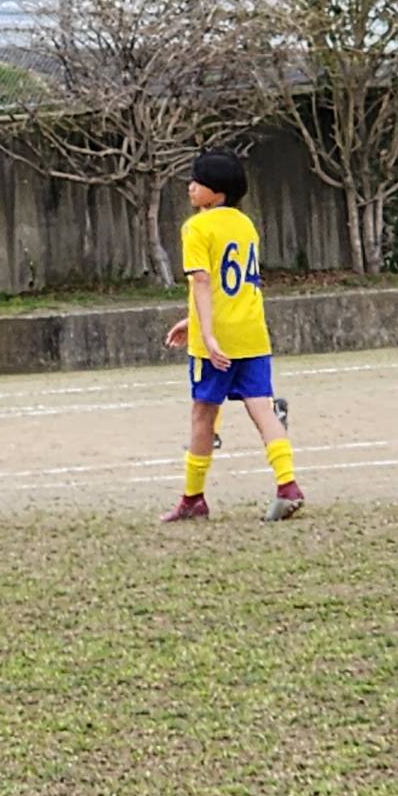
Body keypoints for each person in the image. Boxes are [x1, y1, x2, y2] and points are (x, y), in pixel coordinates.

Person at [161, 151, 303, 523]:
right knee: (262, 407)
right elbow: (235, 286)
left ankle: (193, 498)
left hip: (218, 339)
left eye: (198, 181)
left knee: (203, 413)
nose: (190, 187)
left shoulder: (196, 227)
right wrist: (191, 320)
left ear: (217, 192)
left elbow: (203, 282)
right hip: (252, 332)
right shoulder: (245, 225)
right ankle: (287, 484)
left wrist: (206, 334)